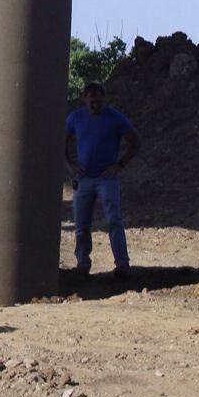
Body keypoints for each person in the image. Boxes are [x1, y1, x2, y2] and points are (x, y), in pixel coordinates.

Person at [64, 80, 141, 277]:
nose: (94, 105)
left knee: (114, 220)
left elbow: (135, 142)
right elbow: (59, 141)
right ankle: (82, 263)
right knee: (81, 224)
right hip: (82, 179)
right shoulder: (75, 118)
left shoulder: (115, 118)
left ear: (103, 99)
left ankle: (122, 264)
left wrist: (119, 165)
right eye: (91, 101)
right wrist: (70, 164)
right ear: (84, 100)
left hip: (107, 179)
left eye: (98, 101)